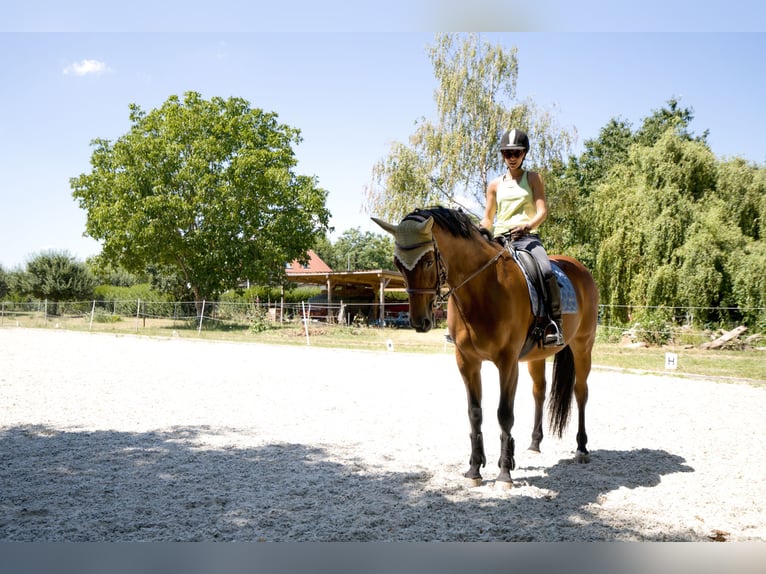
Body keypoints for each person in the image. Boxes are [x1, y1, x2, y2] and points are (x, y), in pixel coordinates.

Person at [480, 128, 564, 347]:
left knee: (545, 270)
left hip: (527, 238)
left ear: (525, 153)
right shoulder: (494, 185)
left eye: (516, 153)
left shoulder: (533, 178)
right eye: (508, 153)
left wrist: (527, 226)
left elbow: (542, 211)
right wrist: (481, 231)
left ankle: (553, 324)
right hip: (500, 240)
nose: (512, 157)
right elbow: (488, 217)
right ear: (502, 155)